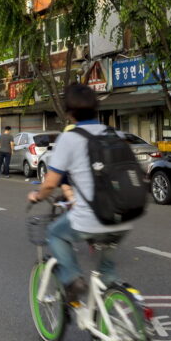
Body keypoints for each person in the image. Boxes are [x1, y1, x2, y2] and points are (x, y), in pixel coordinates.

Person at [27, 83, 135, 301]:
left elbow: (50, 184)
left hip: (91, 217)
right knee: (107, 275)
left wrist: (37, 196)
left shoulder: (69, 138)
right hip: (125, 215)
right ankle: (115, 307)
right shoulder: (113, 133)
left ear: (69, 112)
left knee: (55, 233)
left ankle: (73, 279)